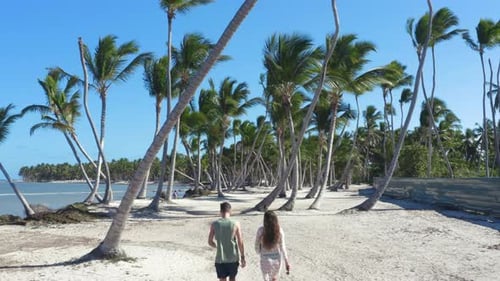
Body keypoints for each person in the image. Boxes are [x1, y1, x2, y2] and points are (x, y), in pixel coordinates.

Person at [208, 202, 246, 281]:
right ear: (230, 211)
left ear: (220, 211)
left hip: (220, 259)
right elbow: (240, 242)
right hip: (233, 258)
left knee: (222, 279)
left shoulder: (214, 224)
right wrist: (242, 257)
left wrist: (217, 246)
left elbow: (210, 242)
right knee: (232, 278)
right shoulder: (236, 223)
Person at [254, 211, 290, 281]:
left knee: (266, 279)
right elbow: (283, 247)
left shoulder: (261, 230)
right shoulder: (279, 231)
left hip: (265, 259)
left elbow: (256, 245)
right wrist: (286, 261)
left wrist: (258, 252)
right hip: (276, 260)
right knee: (274, 279)